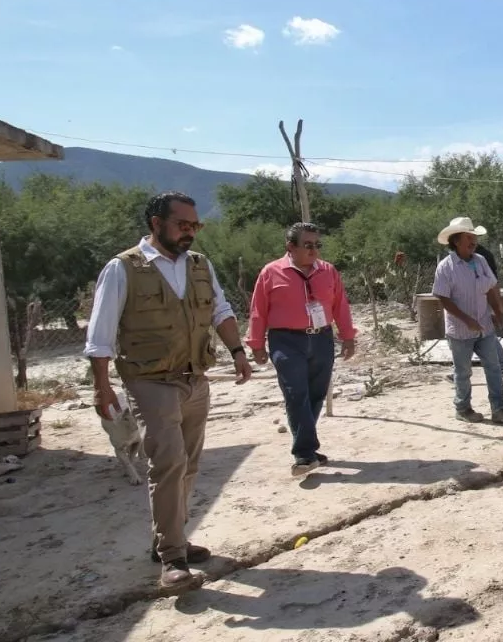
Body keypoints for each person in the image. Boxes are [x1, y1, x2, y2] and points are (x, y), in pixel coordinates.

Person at [84, 191, 253, 591]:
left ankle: (168, 539)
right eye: (182, 225)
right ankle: (173, 559)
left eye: (195, 226)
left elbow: (221, 310)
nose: (190, 233)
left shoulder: (199, 265)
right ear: (156, 224)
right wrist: (101, 386)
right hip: (150, 380)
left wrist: (237, 351)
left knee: (190, 465)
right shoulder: (122, 268)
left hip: (195, 377)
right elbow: (100, 333)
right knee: (169, 463)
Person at [246, 222, 357, 478]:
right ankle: (304, 454)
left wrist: (348, 337)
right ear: (290, 246)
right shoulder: (271, 272)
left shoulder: (328, 271)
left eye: (317, 245)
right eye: (307, 245)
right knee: (296, 394)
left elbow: (341, 305)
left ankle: (307, 447)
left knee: (316, 394)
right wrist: (256, 344)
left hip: (321, 339)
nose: (314, 250)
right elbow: (258, 310)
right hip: (285, 341)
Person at [432, 216, 503, 423]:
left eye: (474, 237)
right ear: (456, 241)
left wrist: (498, 310)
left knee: (494, 367)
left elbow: (490, 287)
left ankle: (499, 408)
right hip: (460, 331)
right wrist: (466, 320)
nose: (473, 241)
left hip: (484, 326)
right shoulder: (446, 267)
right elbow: (443, 298)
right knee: (463, 371)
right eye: (468, 237)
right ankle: (463, 408)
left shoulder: (480, 261)